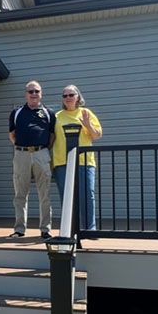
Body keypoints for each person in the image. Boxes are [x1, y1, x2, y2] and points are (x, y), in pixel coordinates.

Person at [8, 80, 55, 238]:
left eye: (37, 91)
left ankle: (45, 230)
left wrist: (40, 150)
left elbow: (52, 136)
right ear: (26, 94)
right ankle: (19, 230)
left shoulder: (49, 113)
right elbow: (12, 135)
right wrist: (24, 149)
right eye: (31, 91)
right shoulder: (17, 113)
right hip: (21, 154)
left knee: (45, 194)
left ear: (41, 94)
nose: (34, 94)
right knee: (20, 194)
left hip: (42, 154)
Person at [51, 84, 102, 231]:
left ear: (78, 97)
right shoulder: (57, 116)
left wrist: (87, 125)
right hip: (62, 162)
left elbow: (97, 135)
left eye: (71, 95)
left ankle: (89, 229)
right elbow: (51, 139)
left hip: (84, 161)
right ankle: (70, 229)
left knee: (88, 195)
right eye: (65, 95)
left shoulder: (86, 113)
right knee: (67, 197)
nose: (68, 98)